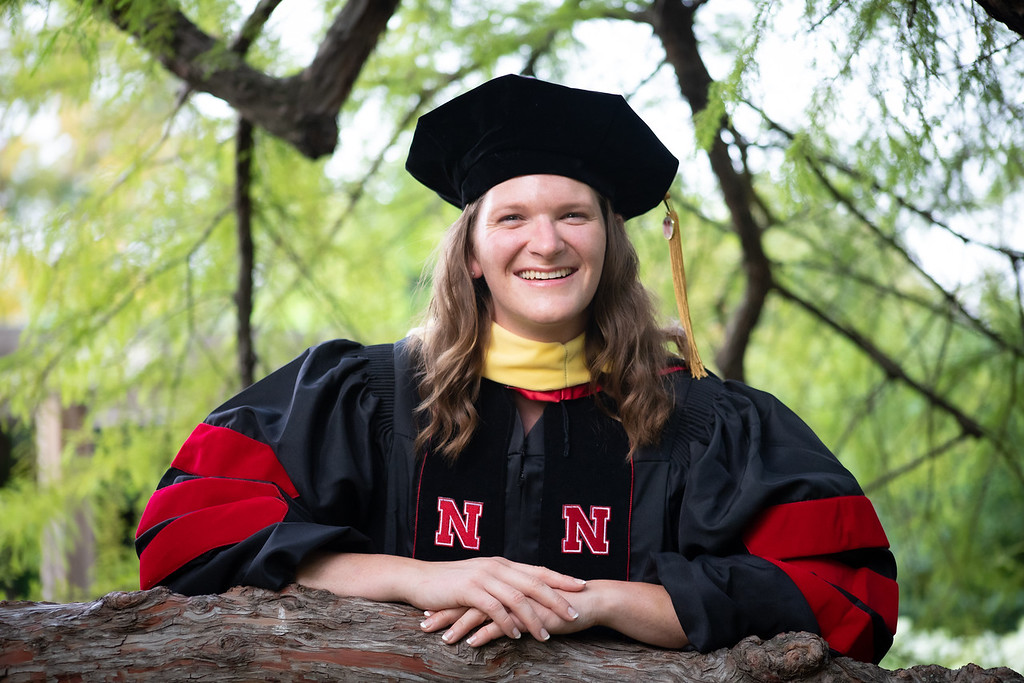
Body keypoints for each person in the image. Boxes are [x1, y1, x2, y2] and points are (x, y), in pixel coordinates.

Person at [135, 74, 898, 663]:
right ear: (472, 251)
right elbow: (186, 540)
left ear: (608, 242)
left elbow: (847, 595)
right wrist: (419, 576)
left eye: (573, 214)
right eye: (512, 217)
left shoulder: (703, 422)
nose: (547, 242)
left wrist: (599, 601)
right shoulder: (366, 397)